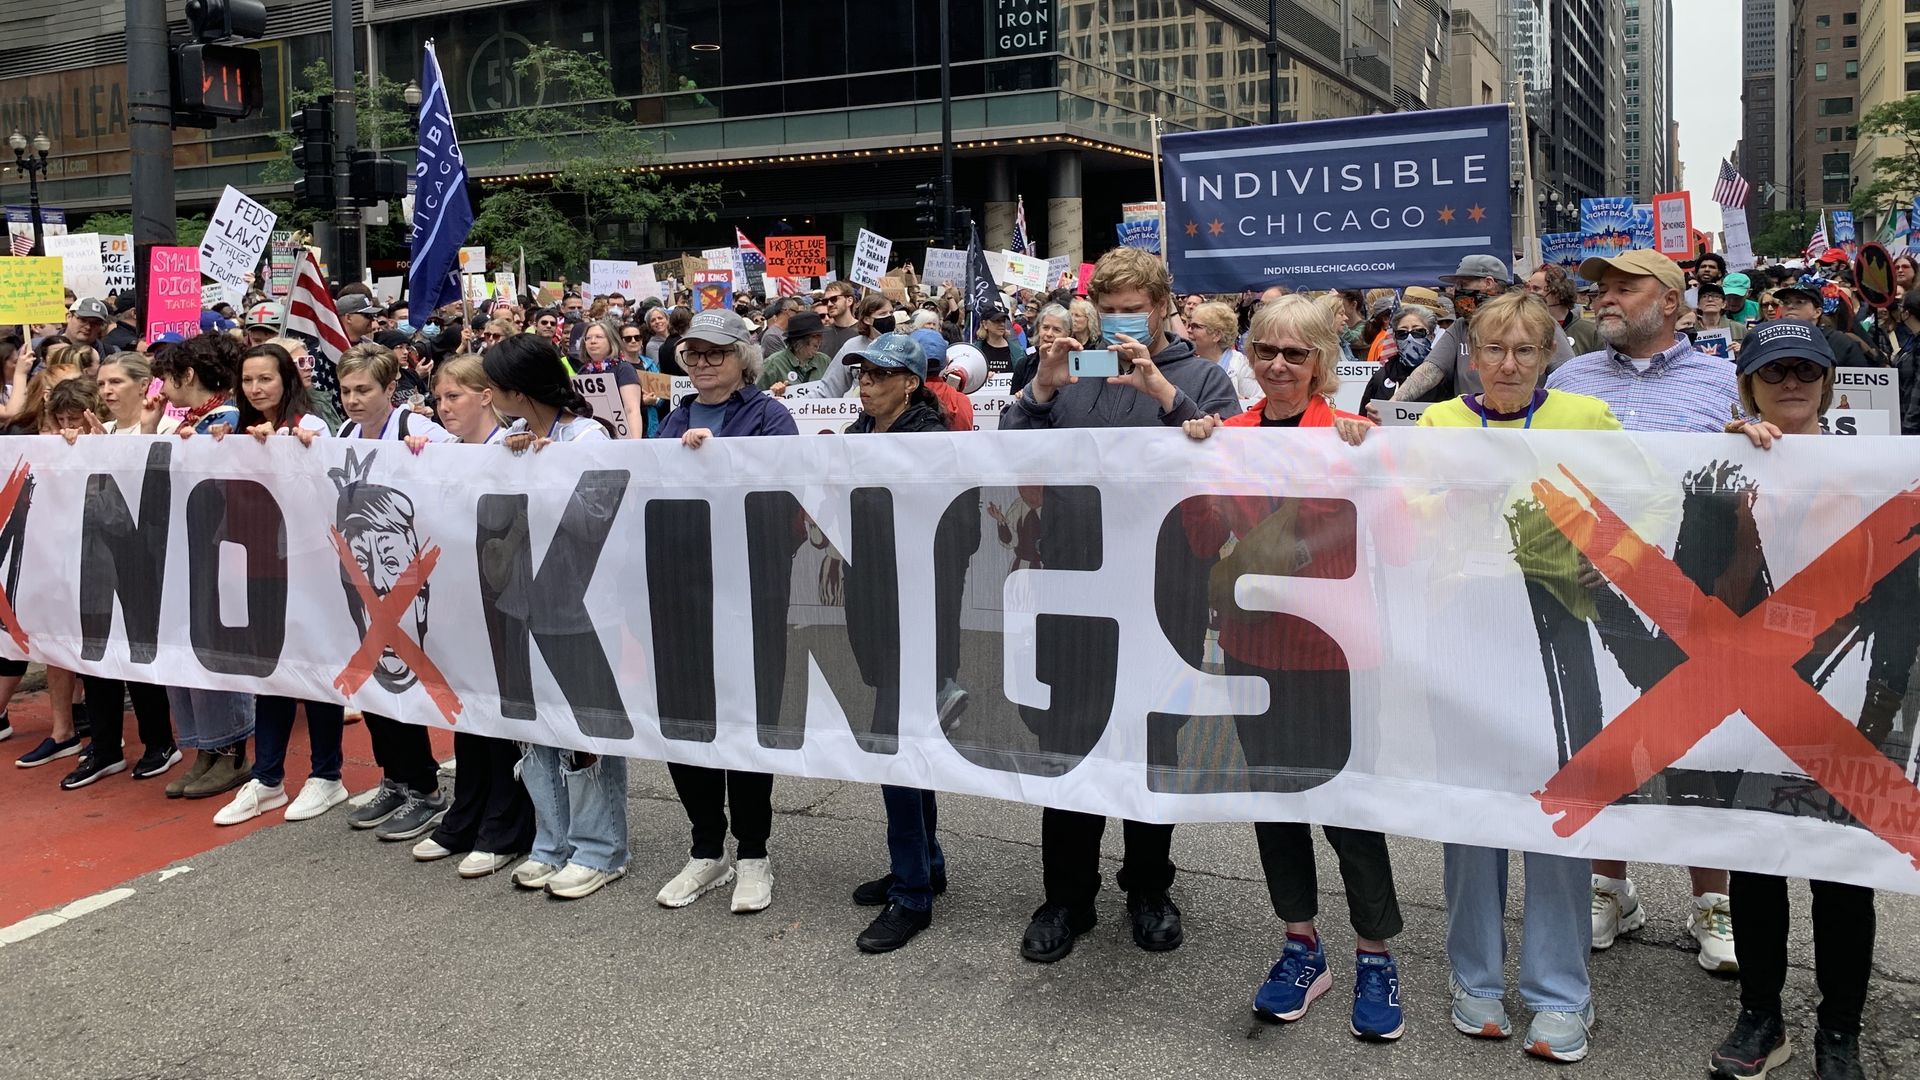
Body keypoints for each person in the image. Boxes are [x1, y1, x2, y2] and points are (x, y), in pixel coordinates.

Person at [1001, 245, 1240, 963]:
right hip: (1072, 584)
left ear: (1165, 306)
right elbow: (1011, 457)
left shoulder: (1203, 377)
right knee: (1066, 741)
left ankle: (1147, 886)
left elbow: (1229, 467)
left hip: (1164, 590)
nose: (1118, 322)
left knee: (1154, 741)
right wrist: (1040, 391)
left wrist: (1168, 400)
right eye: (1106, 311)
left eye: (1132, 309)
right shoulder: (1071, 375)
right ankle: (1067, 895)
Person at [1178, 296, 1403, 1042]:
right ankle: (1301, 943)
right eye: (1266, 351)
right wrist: (1198, 462)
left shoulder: (1352, 436)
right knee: (1276, 804)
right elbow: (1202, 536)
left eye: (1294, 355)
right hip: (1253, 648)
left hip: (1334, 652)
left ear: (1321, 364)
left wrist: (1365, 462)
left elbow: (1398, 538)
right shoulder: (1231, 436)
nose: (1277, 365)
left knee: (1348, 809)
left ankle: (1375, 953)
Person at [1417, 291, 1620, 1064]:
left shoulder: (1585, 421)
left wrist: (1616, 560)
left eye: (1524, 351)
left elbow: (1653, 497)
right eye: (1492, 349)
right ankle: (1473, 976)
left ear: (1548, 356)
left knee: (1557, 811)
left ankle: (1560, 992)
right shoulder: (1439, 424)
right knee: (1472, 812)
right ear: (1469, 352)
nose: (1507, 364)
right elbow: (1399, 512)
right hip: (1464, 625)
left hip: (1558, 630)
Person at [1544, 249, 1742, 969]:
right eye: (1602, 290)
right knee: (1602, 734)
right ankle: (1608, 887)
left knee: (1698, 741)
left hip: (1694, 591)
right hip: (1589, 586)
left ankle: (1712, 900)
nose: (1608, 300)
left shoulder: (1725, 382)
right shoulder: (1567, 379)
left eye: (1627, 289)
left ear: (1672, 302)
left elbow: (1773, 470)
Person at [1707, 322, 1871, 1080]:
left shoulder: (1874, 461)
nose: (1793, 382)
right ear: (1750, 385)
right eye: (1776, 372)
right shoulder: (1722, 461)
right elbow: (1713, 579)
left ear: (1829, 381)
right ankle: (1762, 1016)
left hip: (1845, 690)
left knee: (1843, 867)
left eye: (1807, 368)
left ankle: (1841, 1029)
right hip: (1754, 685)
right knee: (1758, 858)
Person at [449, 336, 628, 898]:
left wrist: (547, 476)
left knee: (586, 728)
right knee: (534, 726)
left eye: (495, 387)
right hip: (518, 599)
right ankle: (552, 841)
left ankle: (600, 848)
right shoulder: (511, 440)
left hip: (576, 604)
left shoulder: (587, 435)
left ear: (516, 391)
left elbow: (599, 517)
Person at [653, 309, 796, 913]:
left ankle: (755, 854)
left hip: (750, 592)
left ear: (744, 358)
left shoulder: (769, 416)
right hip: (679, 591)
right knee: (685, 723)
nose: (704, 362)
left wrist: (724, 461)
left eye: (716, 352)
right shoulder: (672, 419)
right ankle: (706, 849)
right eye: (693, 353)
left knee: (744, 718)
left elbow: (787, 493)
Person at [832, 332, 952, 952]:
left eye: (880, 375)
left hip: (916, 613)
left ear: (911, 381)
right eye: (861, 375)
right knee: (899, 742)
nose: (867, 384)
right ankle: (924, 862)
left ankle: (912, 892)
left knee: (897, 746)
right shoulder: (859, 437)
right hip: (872, 606)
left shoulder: (931, 442)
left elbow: (951, 532)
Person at [332, 343, 456, 840]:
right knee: (373, 682)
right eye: (345, 391)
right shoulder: (342, 434)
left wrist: (433, 459)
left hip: (408, 577)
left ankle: (425, 787)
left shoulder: (418, 430)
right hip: (365, 579)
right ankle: (395, 776)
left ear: (390, 389)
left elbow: (462, 471)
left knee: (411, 678)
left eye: (364, 390)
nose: (354, 400)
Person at [142, 333, 257, 798]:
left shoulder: (224, 421)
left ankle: (228, 750)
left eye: (166, 379)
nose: (161, 390)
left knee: (212, 652)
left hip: (211, 553)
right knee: (184, 653)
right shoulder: (193, 422)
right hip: (184, 551)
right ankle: (204, 750)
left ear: (187, 375)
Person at [1386, 255, 1572, 411]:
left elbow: (1567, 376)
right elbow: (1430, 371)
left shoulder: (1536, 321)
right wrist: (1393, 404)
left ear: (1488, 283)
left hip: (1527, 426)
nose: (1456, 291)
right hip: (1474, 430)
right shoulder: (1461, 327)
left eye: (1463, 284)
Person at [1358, 305, 1438, 418]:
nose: (1409, 338)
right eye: (1402, 333)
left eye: (1418, 332)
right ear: (1394, 338)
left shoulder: (1444, 376)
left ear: (1431, 336)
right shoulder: (1381, 377)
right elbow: (1363, 419)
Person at [1529, 264, 1602, 356]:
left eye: (1536, 289)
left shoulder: (1590, 332)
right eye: (1529, 289)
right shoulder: (1527, 329)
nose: (1530, 294)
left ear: (1557, 291)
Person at [1188, 300, 1252, 400]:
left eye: (1195, 327)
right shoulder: (1190, 365)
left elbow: (1256, 403)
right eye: (1189, 325)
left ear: (1217, 335)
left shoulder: (1241, 366)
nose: (1189, 331)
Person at [757, 312, 829, 394]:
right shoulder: (773, 364)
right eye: (815, 336)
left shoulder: (824, 361)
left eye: (821, 335)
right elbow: (756, 397)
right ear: (799, 340)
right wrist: (772, 392)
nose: (820, 340)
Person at [1013, 304, 1071, 396]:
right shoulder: (1024, 364)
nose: (1049, 334)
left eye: (1056, 330)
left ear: (1067, 334)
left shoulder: (1073, 366)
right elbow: (1010, 405)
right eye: (1045, 327)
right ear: (1039, 328)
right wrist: (1022, 400)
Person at [820, 280, 862, 359]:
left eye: (834, 299)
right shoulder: (822, 333)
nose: (829, 304)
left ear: (849, 301)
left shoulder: (864, 331)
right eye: (825, 301)